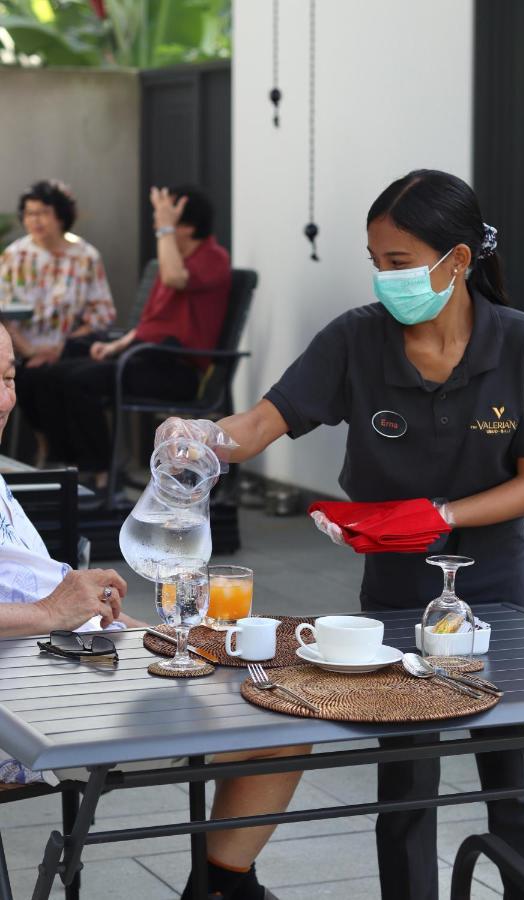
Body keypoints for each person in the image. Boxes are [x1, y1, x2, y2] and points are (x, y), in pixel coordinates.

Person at [157, 169, 524, 900]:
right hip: (396, 591)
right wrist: (200, 434)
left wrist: (442, 515)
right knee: (405, 781)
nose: (384, 280)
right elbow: (258, 425)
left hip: (492, 587)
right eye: (376, 263)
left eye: (399, 262)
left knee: (513, 771)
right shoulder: (356, 340)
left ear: (456, 260)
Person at [0, 323, 304, 900]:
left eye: (10, 378)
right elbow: (40, 608)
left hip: (74, 661)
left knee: (280, 696)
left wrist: (92, 605)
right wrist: (50, 609)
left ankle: (221, 884)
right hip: (30, 707)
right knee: (272, 716)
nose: (4, 399)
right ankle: (225, 888)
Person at [28, 184, 231, 491]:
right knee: (49, 374)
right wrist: (115, 345)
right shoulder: (169, 262)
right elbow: (151, 322)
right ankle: (71, 464)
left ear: (187, 227)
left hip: (179, 369)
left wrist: (165, 228)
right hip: (145, 356)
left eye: (164, 220)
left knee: (77, 381)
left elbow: (177, 277)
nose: (155, 225)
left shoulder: (212, 258)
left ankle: (103, 472)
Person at [0, 179, 116, 463]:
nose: (35, 220)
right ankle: (51, 451)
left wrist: (60, 348)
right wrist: (29, 352)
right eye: (29, 213)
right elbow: (3, 311)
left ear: (60, 215)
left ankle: (70, 462)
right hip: (20, 351)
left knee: (62, 380)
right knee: (29, 378)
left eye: (42, 212)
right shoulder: (15, 255)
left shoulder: (85, 256)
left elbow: (102, 314)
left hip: (67, 349)